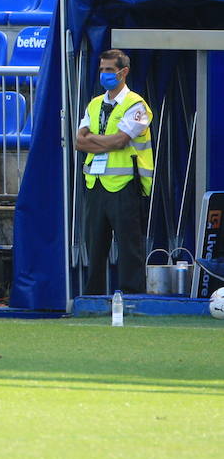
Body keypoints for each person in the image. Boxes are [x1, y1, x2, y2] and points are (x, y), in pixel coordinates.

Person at [74, 49, 153, 294]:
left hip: (125, 184)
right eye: (102, 70)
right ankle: (93, 296)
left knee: (129, 246)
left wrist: (95, 140)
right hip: (95, 184)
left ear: (123, 72)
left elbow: (120, 141)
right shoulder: (95, 103)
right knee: (95, 246)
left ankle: (132, 297)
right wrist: (105, 140)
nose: (104, 74)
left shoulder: (137, 105)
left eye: (109, 70)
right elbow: (78, 142)